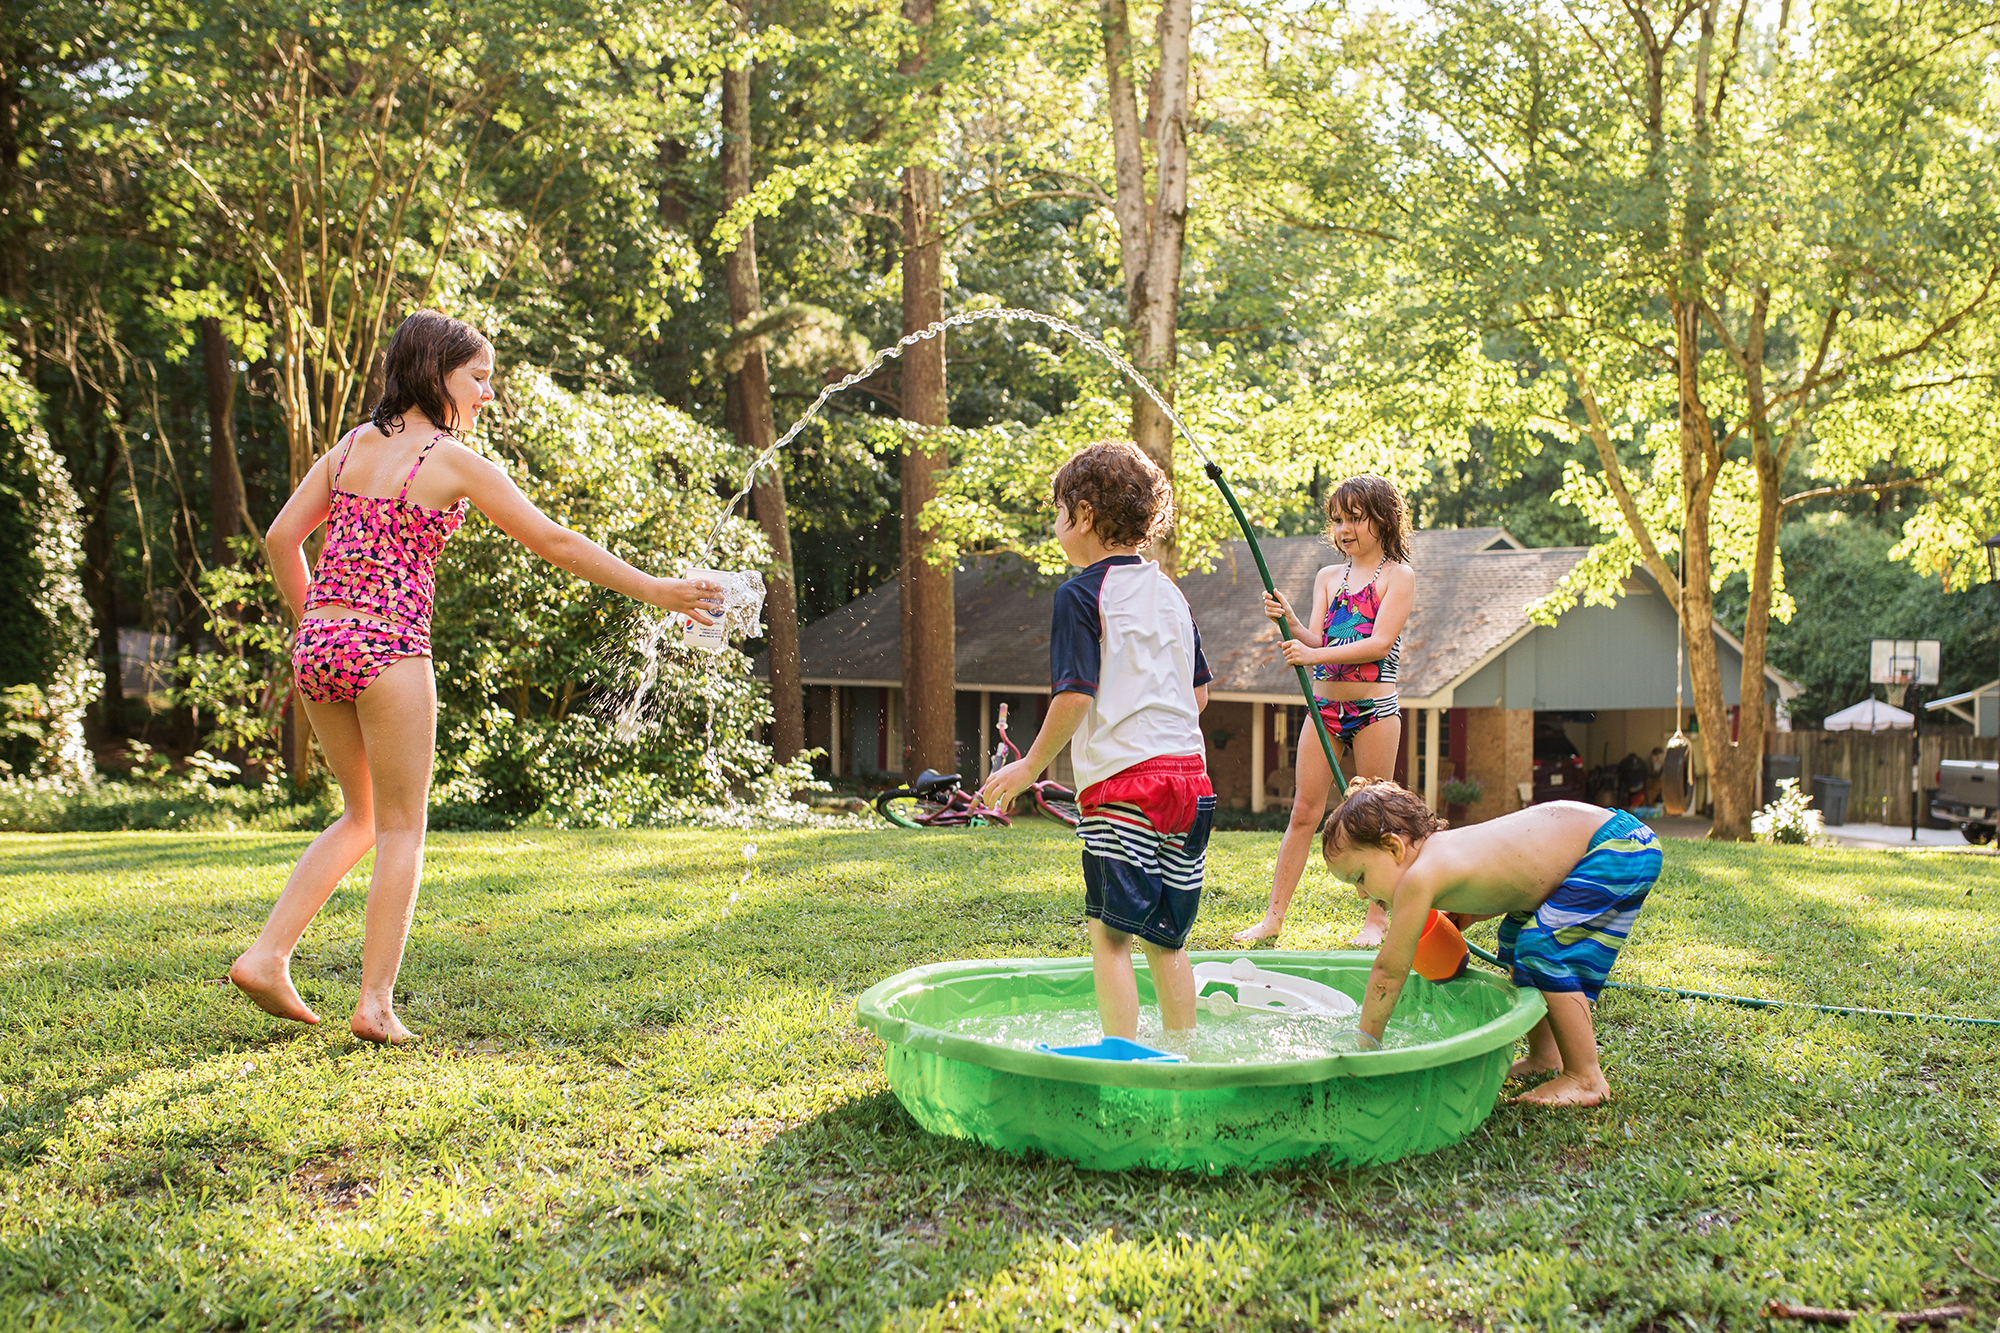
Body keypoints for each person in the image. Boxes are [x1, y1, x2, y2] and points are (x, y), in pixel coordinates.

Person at [229, 309, 724, 1043]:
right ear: (436, 375)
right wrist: (659, 589)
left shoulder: (349, 449)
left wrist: (319, 620)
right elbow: (555, 541)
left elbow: (279, 537)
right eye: (480, 378)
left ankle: (267, 955)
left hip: (320, 647)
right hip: (391, 648)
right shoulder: (449, 458)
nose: (489, 394)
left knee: (360, 815)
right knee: (402, 827)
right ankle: (374, 1003)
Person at [980, 441, 1215, 1043]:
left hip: (1124, 787)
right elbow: (1199, 697)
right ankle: (1185, 1056)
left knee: (1110, 936)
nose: (1055, 524)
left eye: (1058, 511)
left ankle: (1122, 1057)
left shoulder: (1081, 594)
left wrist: (1031, 765)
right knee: (1168, 937)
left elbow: (1076, 695)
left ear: (1082, 515)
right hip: (1192, 782)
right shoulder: (1171, 594)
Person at [1319, 778, 1663, 1107]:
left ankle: (1586, 1077)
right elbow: (1510, 876)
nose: (1362, 893)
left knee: (1543, 948)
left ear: (1393, 846)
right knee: (1515, 939)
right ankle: (1546, 1057)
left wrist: (1365, 1043)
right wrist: (1473, 913)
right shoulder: (1440, 852)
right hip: (1607, 838)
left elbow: (1389, 971)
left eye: (1360, 878)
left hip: (1615, 847)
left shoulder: (1419, 877)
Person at [1234, 474, 1415, 947]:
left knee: (1376, 817)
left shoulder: (1398, 577)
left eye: (1355, 518)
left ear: (1384, 519)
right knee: (1303, 812)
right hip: (1324, 709)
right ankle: (1272, 918)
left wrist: (1313, 656)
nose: (1344, 528)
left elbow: (1377, 645)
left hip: (1374, 709)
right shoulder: (1327, 578)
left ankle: (1376, 922)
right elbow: (1316, 638)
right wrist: (1291, 622)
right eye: (1337, 519)